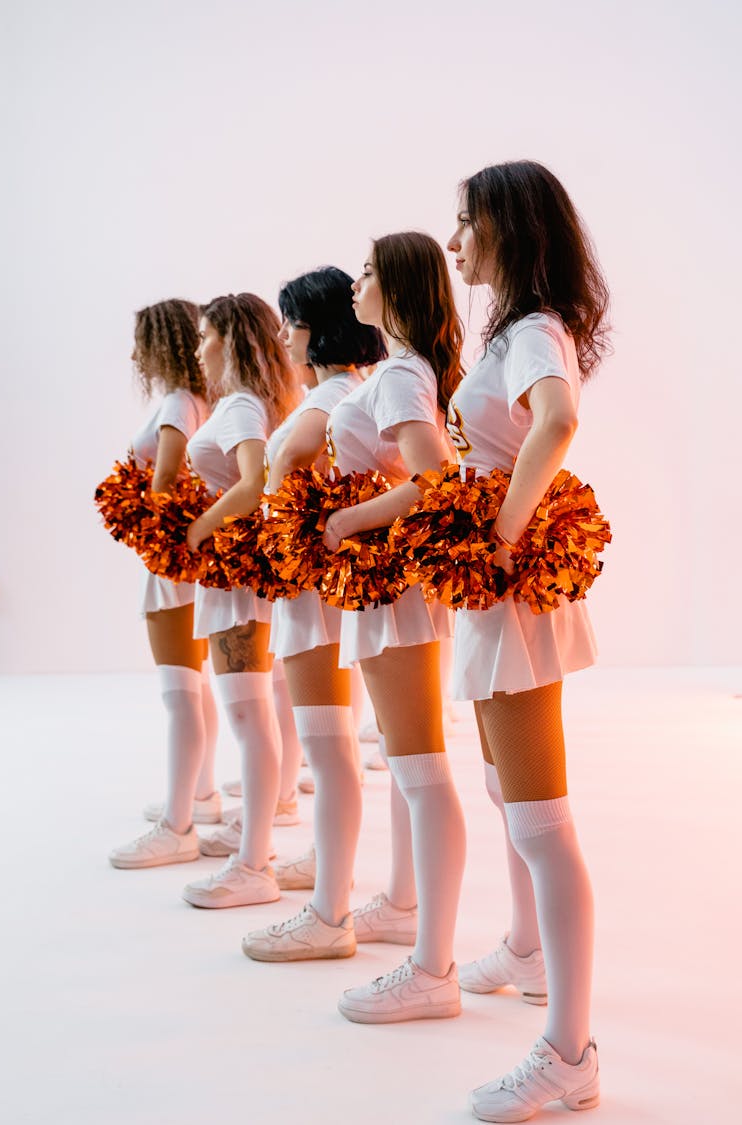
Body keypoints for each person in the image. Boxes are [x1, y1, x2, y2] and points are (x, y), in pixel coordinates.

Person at [446, 159, 609, 1121]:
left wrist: (503, 532)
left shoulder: (538, 329)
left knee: (542, 820)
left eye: (466, 223)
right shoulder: (509, 329)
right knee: (512, 797)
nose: (456, 240)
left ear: (509, 227)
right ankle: (526, 951)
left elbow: (559, 419)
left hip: (513, 596)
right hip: (489, 598)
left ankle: (570, 1051)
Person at [312, 232, 467, 1021]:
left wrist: (346, 519)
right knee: (409, 761)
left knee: (420, 768)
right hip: (387, 588)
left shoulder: (402, 375)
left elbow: (433, 480)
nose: (356, 283)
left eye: (369, 271)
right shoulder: (404, 369)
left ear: (398, 286)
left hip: (391, 586)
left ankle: (432, 966)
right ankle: (410, 916)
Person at [240, 266, 386, 961]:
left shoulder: (334, 395)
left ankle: (330, 915)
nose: (285, 336)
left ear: (319, 328)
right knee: (332, 754)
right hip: (314, 597)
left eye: (292, 323)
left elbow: (301, 458)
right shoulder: (340, 391)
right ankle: (333, 882)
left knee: (330, 755)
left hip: (314, 600)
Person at [177, 293, 299, 908]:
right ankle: (254, 847)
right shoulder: (249, 403)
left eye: (205, 337)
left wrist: (200, 527)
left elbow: (254, 482)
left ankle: (254, 865)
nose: (199, 350)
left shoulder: (240, 405)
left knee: (250, 720)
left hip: (235, 577)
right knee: (254, 717)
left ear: (231, 339)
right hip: (236, 576)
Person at [109, 299, 220, 870]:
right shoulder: (196, 399)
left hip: (170, 566)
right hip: (183, 565)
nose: (135, 354)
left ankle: (176, 825)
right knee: (192, 687)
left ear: (161, 342)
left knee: (178, 691)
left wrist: (133, 505)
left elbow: (167, 485)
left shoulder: (178, 403)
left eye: (141, 341)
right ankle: (198, 793)